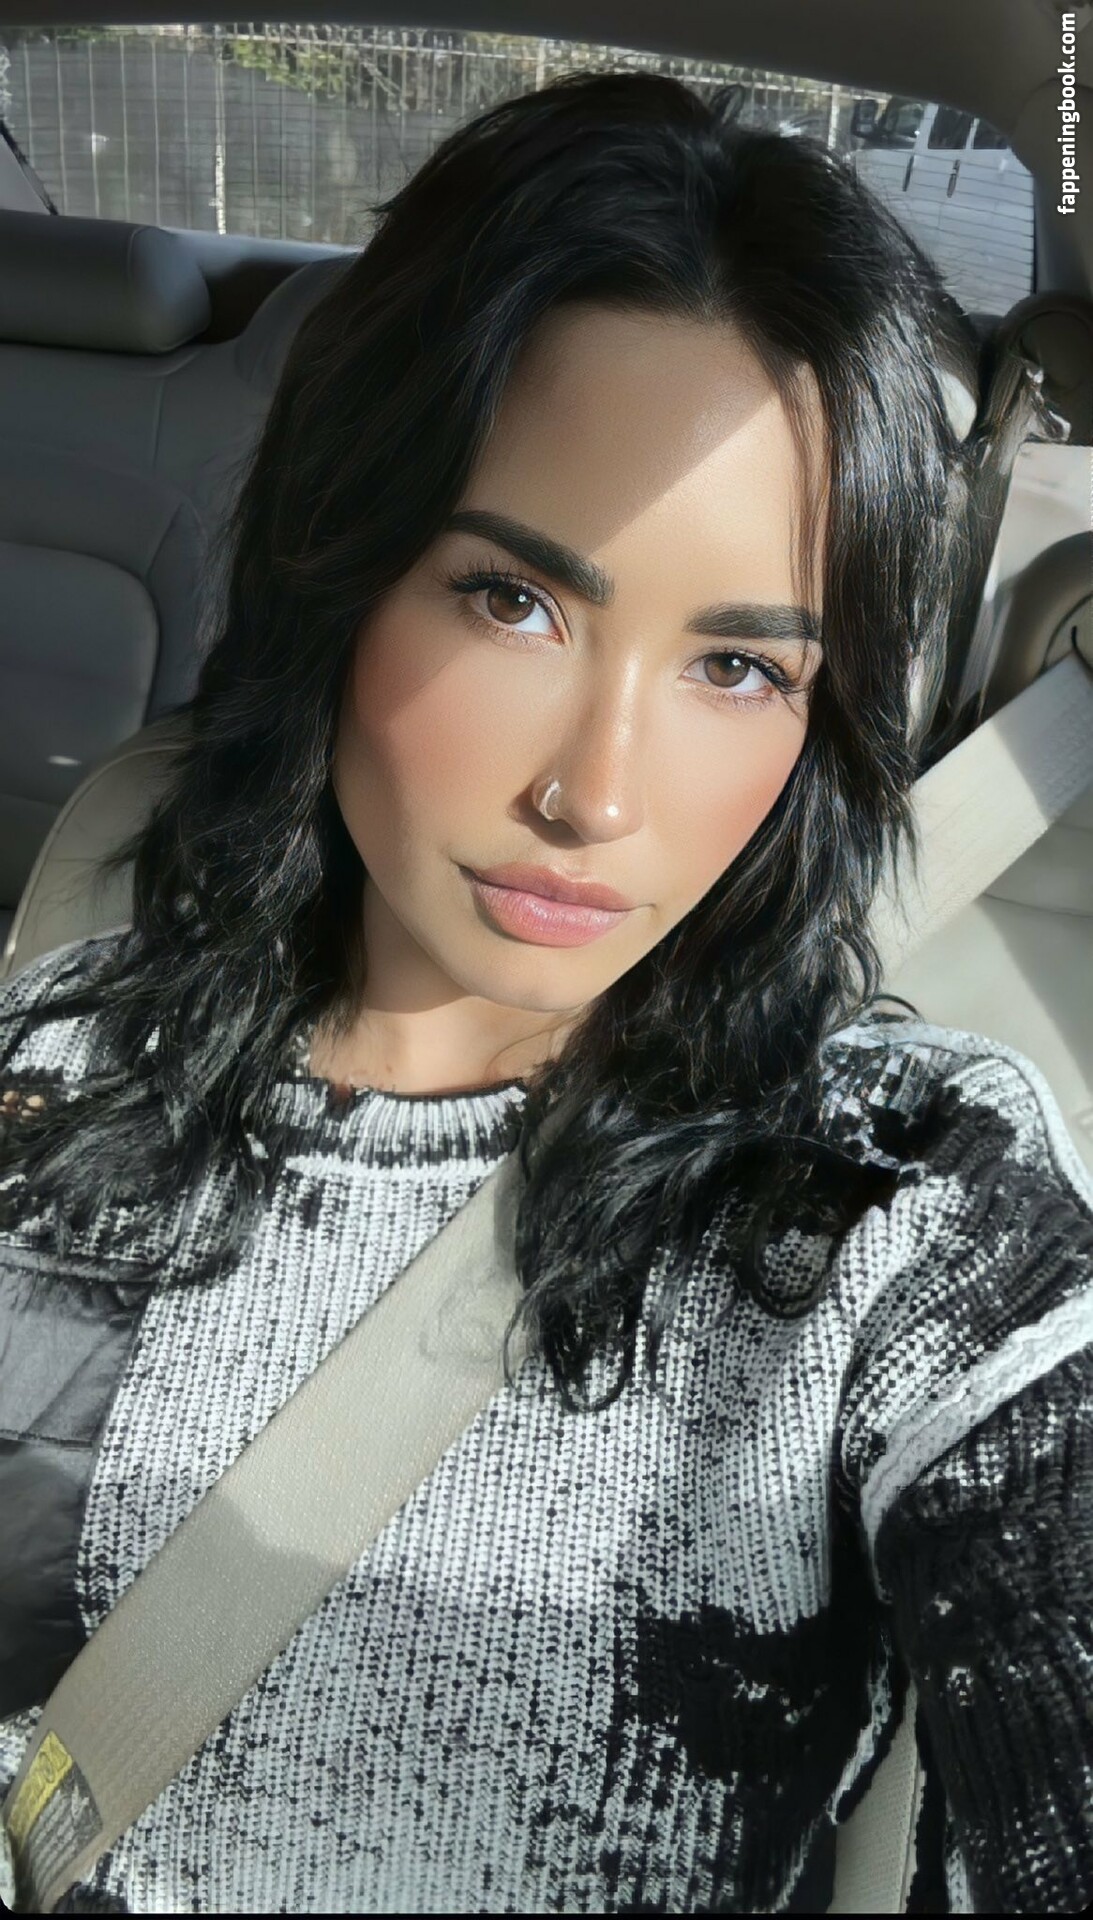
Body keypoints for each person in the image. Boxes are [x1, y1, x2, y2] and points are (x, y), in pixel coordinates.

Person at [0, 70, 1089, 1917]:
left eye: (738, 669)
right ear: (340, 576)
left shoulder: (898, 1204)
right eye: (514, 602)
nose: (595, 795)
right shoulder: (53, 1068)